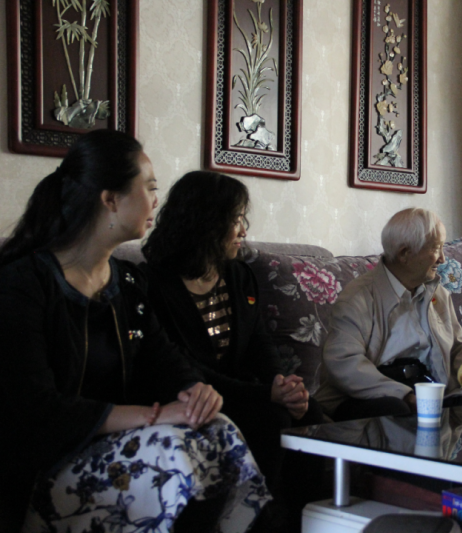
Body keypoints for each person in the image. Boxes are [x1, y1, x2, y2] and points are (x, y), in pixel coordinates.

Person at [0, 131, 268, 533]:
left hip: (117, 449)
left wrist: (195, 392)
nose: (156, 201)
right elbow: (35, 408)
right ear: (110, 200)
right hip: (44, 464)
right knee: (173, 449)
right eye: (150, 188)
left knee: (218, 427)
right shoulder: (23, 284)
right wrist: (151, 417)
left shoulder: (126, 283)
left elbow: (166, 361)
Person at [141, 171, 325, 531]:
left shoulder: (239, 276)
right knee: (271, 417)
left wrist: (283, 384)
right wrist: (265, 394)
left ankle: (305, 522)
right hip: (194, 395)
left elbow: (259, 343)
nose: (243, 230)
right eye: (236, 219)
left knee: (310, 412)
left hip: (244, 389)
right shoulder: (154, 283)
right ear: (206, 222)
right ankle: (257, 523)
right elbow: (181, 365)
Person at [314, 208, 462, 421]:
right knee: (395, 407)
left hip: (430, 394)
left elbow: (459, 347)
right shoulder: (357, 298)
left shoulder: (438, 293)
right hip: (367, 399)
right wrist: (404, 395)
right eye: (436, 248)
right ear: (404, 254)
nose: (442, 259)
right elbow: (344, 363)